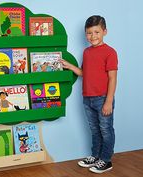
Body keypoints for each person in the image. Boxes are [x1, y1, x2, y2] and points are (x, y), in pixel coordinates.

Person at [59, 15, 118, 173]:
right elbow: (84, 73)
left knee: (106, 130)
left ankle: (106, 160)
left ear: (105, 31)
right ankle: (95, 156)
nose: (93, 36)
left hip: (103, 98)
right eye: (89, 33)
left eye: (97, 32)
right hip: (87, 98)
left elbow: (112, 78)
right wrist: (70, 66)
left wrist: (108, 100)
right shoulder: (86, 52)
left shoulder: (110, 52)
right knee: (94, 129)